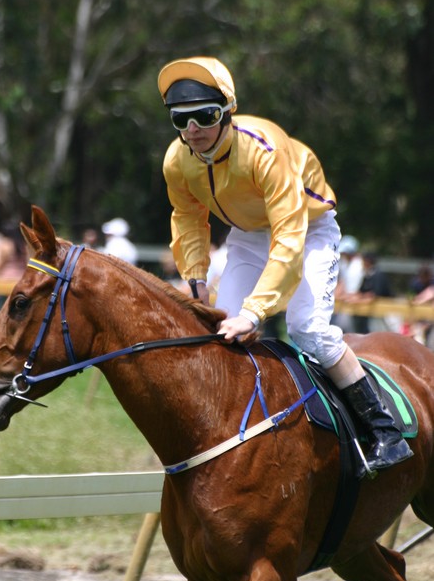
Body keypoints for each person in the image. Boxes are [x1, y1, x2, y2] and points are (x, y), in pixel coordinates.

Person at [157, 55, 412, 474]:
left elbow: (289, 238)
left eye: (205, 116)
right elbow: (187, 218)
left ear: (227, 112)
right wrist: (196, 278)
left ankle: (384, 431)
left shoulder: (264, 149)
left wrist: (254, 312)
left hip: (306, 229)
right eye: (180, 120)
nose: (193, 129)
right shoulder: (176, 160)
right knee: (220, 328)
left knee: (306, 328)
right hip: (248, 234)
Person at [332, 235, 364, 333]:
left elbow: (357, 288)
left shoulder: (359, 265)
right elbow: (342, 282)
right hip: (346, 301)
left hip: (356, 302)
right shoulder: (344, 264)